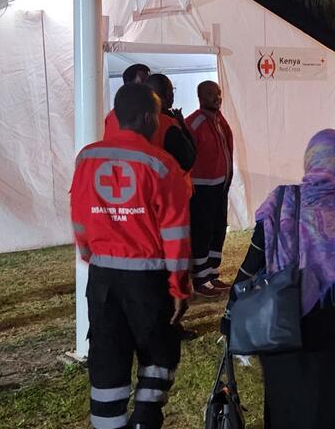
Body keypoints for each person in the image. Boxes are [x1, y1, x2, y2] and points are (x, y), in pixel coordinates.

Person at [223, 129, 335, 429]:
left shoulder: (283, 202)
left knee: (284, 407)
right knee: (328, 408)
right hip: (334, 341)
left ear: (310, 161)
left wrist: (231, 311)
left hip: (282, 328)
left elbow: (251, 265)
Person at [71, 83, 192, 429]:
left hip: (103, 277)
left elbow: (79, 214)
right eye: (156, 115)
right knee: (159, 350)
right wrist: (180, 286)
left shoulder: (87, 158)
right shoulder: (161, 164)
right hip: (148, 279)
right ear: (144, 117)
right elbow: (176, 233)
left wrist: (90, 254)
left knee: (108, 354)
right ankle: (145, 417)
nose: (158, 122)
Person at [185, 80, 234, 297]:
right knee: (202, 232)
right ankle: (200, 277)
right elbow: (185, 154)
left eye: (219, 93)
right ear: (201, 97)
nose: (217, 98)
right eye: (212, 94)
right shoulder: (194, 122)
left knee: (217, 229)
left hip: (220, 187)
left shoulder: (218, 120)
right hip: (202, 189)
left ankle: (212, 273)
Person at [144, 73, 196, 171]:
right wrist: (182, 124)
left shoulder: (134, 120)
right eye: (169, 91)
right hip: (171, 181)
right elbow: (188, 159)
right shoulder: (169, 124)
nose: (171, 95)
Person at [104, 64, 152, 140]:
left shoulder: (112, 115)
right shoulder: (113, 116)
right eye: (144, 82)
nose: (150, 87)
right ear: (130, 85)